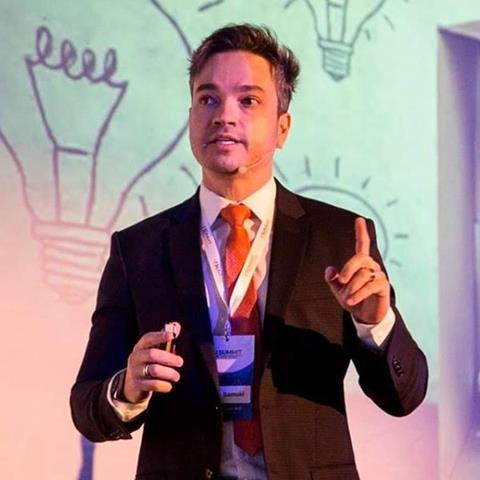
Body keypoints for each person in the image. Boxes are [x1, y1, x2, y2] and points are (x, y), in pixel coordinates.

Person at [70, 24, 428, 480]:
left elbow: (404, 397)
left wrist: (374, 323)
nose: (224, 115)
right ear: (191, 117)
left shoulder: (339, 237)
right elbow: (86, 406)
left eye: (248, 100)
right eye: (208, 98)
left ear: (282, 128)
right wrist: (127, 388)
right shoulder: (138, 249)